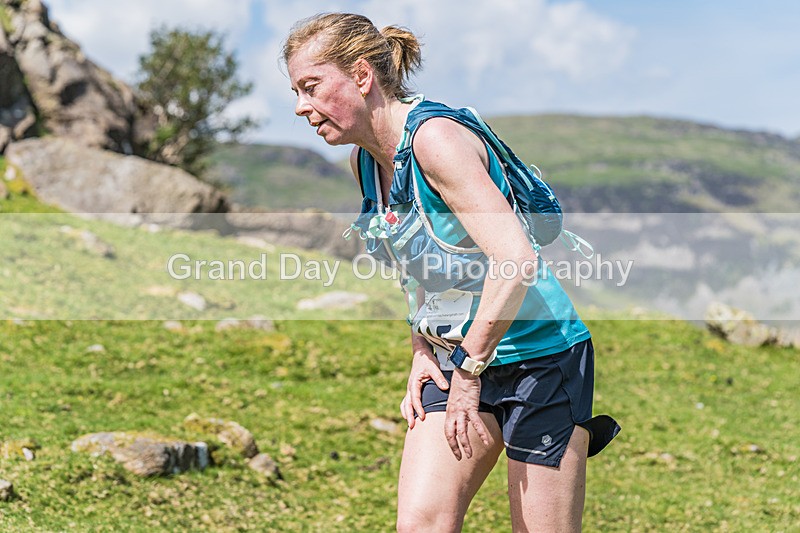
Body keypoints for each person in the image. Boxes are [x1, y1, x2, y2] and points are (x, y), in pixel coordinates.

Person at [283, 13, 619, 532]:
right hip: (457, 358)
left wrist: (468, 369)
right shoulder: (365, 161)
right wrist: (423, 350)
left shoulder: (436, 141)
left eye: (311, 86)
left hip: (541, 358)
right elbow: (414, 265)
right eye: (295, 91)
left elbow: (516, 260)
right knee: (421, 524)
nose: (301, 107)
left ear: (362, 75)